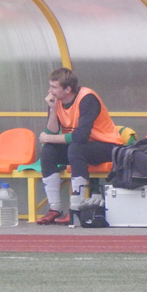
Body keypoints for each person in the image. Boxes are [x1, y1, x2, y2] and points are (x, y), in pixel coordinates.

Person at [36, 68, 123, 225]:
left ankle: (77, 208)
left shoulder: (87, 98)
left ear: (67, 89)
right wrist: (53, 109)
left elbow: (80, 136)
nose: (50, 91)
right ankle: (54, 208)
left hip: (107, 146)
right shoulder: (56, 101)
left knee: (76, 148)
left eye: (54, 87)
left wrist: (48, 137)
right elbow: (52, 131)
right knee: (48, 151)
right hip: (82, 147)